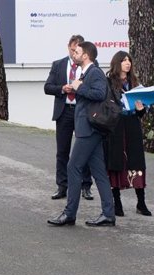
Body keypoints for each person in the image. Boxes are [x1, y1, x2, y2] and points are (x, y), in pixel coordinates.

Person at [48, 41, 116, 227]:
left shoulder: (94, 73)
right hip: (89, 128)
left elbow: (100, 93)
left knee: (73, 167)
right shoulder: (87, 73)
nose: (74, 54)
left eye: (77, 52)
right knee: (99, 172)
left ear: (85, 55)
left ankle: (69, 214)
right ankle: (108, 214)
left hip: (89, 129)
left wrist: (79, 87)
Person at [44, 34, 94, 201]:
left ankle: (86, 186)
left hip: (82, 111)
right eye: (72, 49)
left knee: (85, 150)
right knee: (62, 151)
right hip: (64, 111)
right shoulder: (58, 65)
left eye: (78, 50)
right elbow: (47, 87)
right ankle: (62, 186)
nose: (74, 53)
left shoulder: (89, 67)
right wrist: (61, 89)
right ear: (68, 47)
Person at [104, 50, 152, 217]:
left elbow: (141, 111)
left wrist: (140, 109)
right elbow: (106, 105)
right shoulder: (109, 81)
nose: (127, 63)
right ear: (117, 62)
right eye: (124, 60)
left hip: (132, 126)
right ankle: (117, 203)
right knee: (116, 163)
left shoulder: (134, 82)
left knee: (136, 162)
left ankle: (141, 202)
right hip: (116, 127)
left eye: (129, 60)